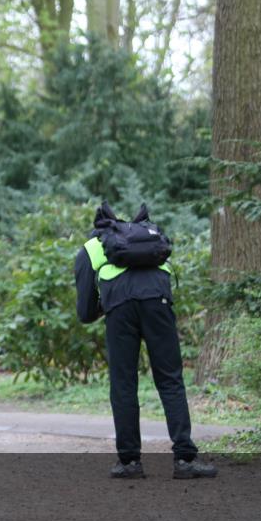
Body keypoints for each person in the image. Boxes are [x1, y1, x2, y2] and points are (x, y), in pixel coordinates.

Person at [74, 203, 216, 480]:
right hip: (157, 302)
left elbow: (85, 313)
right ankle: (185, 460)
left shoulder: (92, 247)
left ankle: (129, 463)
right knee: (170, 379)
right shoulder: (151, 240)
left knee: (124, 383)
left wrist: (109, 304)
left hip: (120, 310)